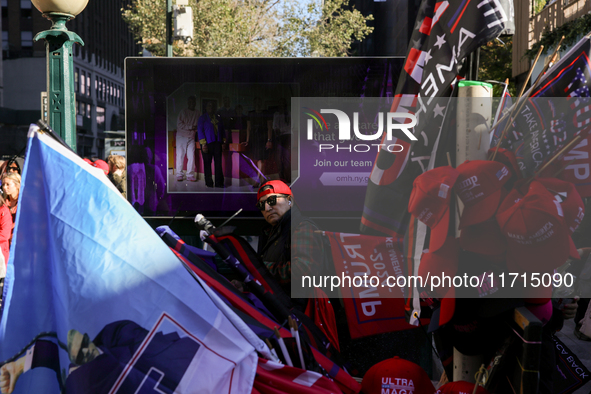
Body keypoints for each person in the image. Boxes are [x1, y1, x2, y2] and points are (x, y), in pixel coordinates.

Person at [0, 320, 201, 394]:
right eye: (79, 353)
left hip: (194, 374)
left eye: (85, 344)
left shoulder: (118, 334)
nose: (86, 350)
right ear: (73, 360)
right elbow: (52, 354)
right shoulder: (77, 380)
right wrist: (18, 365)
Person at [255, 180, 325, 311]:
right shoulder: (270, 233)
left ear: (289, 201)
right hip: (280, 313)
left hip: (297, 316)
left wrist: (262, 269)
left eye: (271, 201)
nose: (266, 208)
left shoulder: (302, 226)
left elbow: (303, 270)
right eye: (261, 205)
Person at [243, 97, 272, 187]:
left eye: (259, 102)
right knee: (259, 160)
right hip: (254, 139)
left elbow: (269, 128)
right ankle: (263, 180)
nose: (258, 104)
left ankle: (257, 180)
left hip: (263, 138)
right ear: (254, 103)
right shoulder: (250, 114)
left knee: (260, 160)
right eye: (256, 102)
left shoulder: (266, 113)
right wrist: (247, 140)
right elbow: (248, 128)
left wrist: (269, 140)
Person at [197, 101, 226, 188]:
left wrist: (223, 142)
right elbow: (200, 131)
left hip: (217, 143)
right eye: (209, 106)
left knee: (218, 163)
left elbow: (222, 130)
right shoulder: (202, 118)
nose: (211, 108)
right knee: (207, 163)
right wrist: (203, 144)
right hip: (207, 143)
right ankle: (209, 182)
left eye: (212, 106)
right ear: (205, 108)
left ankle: (219, 183)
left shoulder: (218, 117)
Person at [175, 95, 200, 182]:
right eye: (190, 102)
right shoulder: (183, 111)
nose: (192, 104)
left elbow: (198, 126)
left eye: (193, 102)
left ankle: (190, 175)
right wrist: (191, 127)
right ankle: (179, 174)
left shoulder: (197, 113)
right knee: (180, 156)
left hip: (191, 137)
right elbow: (179, 125)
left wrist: (194, 129)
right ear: (188, 103)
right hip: (181, 137)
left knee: (191, 156)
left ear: (195, 103)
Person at [272, 98, 291, 182]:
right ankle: (281, 177)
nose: (281, 105)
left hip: (287, 136)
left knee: (286, 157)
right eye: (280, 103)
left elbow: (291, 126)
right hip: (278, 136)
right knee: (278, 158)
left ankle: (288, 177)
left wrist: (281, 130)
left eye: (283, 103)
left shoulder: (289, 113)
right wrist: (277, 130)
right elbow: (274, 126)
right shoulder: (276, 114)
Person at [1, 172, 20, 247]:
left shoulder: (24, 203)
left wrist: (8, 227)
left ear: (17, 185)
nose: (5, 187)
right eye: (3, 184)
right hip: (5, 244)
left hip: (20, 242)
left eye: (8, 184)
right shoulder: (3, 203)